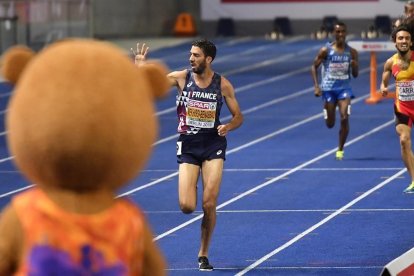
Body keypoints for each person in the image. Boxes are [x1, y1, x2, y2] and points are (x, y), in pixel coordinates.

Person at [132, 39, 243, 271]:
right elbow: (151, 86)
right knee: (186, 206)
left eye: (196, 55)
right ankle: (190, 181)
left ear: (208, 59)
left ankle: (203, 253)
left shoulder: (222, 85)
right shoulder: (182, 78)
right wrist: (141, 67)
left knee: (209, 203)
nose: (191, 58)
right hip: (189, 145)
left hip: (213, 144)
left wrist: (228, 126)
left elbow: (238, 116)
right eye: (190, 54)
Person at [311, 21, 359, 160]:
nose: (340, 34)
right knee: (330, 124)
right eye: (338, 32)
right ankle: (327, 112)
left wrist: (355, 66)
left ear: (346, 33)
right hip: (328, 89)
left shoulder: (352, 52)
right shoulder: (326, 50)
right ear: (333, 33)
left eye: (343, 31)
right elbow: (314, 67)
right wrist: (316, 86)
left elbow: (355, 75)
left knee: (344, 118)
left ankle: (340, 149)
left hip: (344, 89)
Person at [380, 24, 414, 193]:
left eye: (407, 38)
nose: (404, 41)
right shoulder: (390, 62)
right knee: (403, 140)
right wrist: (383, 87)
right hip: (403, 108)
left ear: (411, 41)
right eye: (400, 38)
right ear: (395, 42)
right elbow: (384, 79)